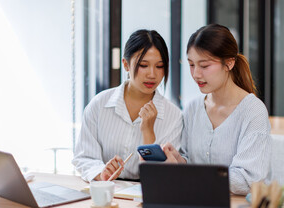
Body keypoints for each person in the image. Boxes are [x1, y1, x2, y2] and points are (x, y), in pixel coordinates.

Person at [162, 24, 271, 195]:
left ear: (229, 63)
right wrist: (178, 161)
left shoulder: (253, 111)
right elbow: (190, 164)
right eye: (191, 65)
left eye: (204, 66)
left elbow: (247, 181)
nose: (196, 74)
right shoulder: (192, 108)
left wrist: (194, 175)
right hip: (196, 203)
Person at [73, 29, 183, 182]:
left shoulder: (174, 116)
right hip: (106, 191)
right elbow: (84, 157)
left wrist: (148, 134)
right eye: (143, 65)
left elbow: (162, 178)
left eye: (159, 66)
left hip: (146, 198)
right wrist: (101, 172)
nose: (152, 74)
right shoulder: (99, 104)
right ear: (125, 64)